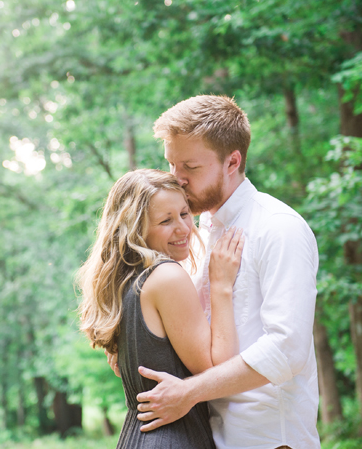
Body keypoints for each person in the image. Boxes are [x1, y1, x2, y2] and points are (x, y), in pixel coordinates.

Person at [129, 95, 321, 449]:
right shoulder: (197, 230)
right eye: (171, 164)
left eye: (190, 166)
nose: (177, 179)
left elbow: (287, 349)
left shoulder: (278, 228)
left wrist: (188, 392)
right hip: (207, 437)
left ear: (232, 161)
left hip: (266, 439)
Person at [78, 169, 245, 448]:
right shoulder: (167, 276)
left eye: (184, 213)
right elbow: (220, 371)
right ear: (135, 229)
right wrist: (221, 286)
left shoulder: (124, 282)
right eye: (166, 220)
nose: (183, 227)